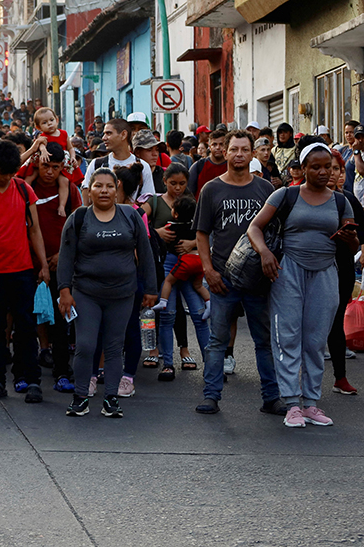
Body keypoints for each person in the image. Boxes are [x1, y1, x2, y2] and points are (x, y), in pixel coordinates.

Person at [247, 142, 354, 427]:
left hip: (325, 273)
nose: (323, 172)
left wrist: (350, 240)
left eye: (328, 167)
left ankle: (312, 403)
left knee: (317, 339)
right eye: (315, 167)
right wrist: (265, 253)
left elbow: (354, 241)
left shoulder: (341, 201)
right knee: (288, 335)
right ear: (302, 168)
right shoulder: (286, 194)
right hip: (288, 270)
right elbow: (254, 227)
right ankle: (292, 404)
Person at [193, 130, 284, 416]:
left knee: (264, 341)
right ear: (226, 152)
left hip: (258, 281)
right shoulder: (211, 189)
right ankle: (211, 396)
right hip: (223, 279)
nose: (239, 155)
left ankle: (272, 397)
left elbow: (274, 232)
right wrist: (208, 270)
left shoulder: (265, 190)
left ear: (252, 154)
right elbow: (201, 234)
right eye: (234, 149)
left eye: (245, 150)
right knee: (217, 341)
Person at [58, 167, 158, 418]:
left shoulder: (130, 215)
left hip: (123, 293)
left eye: (109, 186)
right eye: (98, 186)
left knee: (114, 347)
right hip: (86, 294)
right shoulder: (79, 218)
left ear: (117, 190)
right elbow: (66, 258)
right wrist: (64, 291)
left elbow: (145, 253)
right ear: (89, 191)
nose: (104, 190)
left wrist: (151, 289)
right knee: (86, 345)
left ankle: (111, 399)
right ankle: (80, 397)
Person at [0, 139, 50, 403]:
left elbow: (35, 230)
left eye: (13, 172)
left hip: (23, 270)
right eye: (4, 172)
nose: (8, 177)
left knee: (27, 327)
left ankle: (32, 380)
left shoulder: (25, 190)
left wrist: (43, 265)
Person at [27, 142, 79, 393]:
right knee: (29, 318)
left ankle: (62, 371)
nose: (49, 171)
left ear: (62, 168)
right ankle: (29, 374)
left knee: (60, 321)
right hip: (28, 263)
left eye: (55, 167)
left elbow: (80, 227)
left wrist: (62, 254)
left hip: (61, 265)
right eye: (45, 165)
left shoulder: (70, 191)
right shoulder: (26, 187)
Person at [148, 163, 208, 379]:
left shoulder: (195, 204)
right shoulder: (155, 202)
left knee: (199, 315)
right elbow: (138, 223)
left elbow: (206, 233)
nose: (178, 187)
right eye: (173, 183)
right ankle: (168, 362)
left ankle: (211, 363)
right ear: (164, 181)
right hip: (170, 262)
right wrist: (158, 233)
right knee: (167, 315)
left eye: (182, 183)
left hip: (188, 263)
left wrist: (191, 244)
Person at [326, 149, 362, 396]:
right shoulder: (299, 197)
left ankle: (340, 377)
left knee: (336, 323)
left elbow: (360, 239)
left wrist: (352, 239)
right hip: (311, 268)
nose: (330, 173)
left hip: (343, 269)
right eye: (324, 167)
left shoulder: (348, 199)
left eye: (336, 169)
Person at [82, 118, 156, 204]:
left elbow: (148, 201)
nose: (104, 138)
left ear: (123, 135)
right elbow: (87, 198)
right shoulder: (96, 164)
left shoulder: (143, 167)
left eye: (109, 133)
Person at [24, 107, 76, 214]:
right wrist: (43, 152)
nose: (49, 124)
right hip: (43, 159)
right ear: (39, 127)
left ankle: (62, 206)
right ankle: (24, 199)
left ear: (56, 120)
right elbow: (42, 147)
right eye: (45, 122)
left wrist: (73, 157)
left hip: (60, 159)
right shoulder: (42, 137)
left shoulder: (64, 134)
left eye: (51, 120)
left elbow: (70, 147)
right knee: (29, 177)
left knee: (64, 181)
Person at [188, 128, 228, 198]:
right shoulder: (198, 166)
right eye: (214, 144)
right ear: (209, 147)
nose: (218, 147)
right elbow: (189, 194)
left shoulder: (232, 166)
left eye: (221, 144)